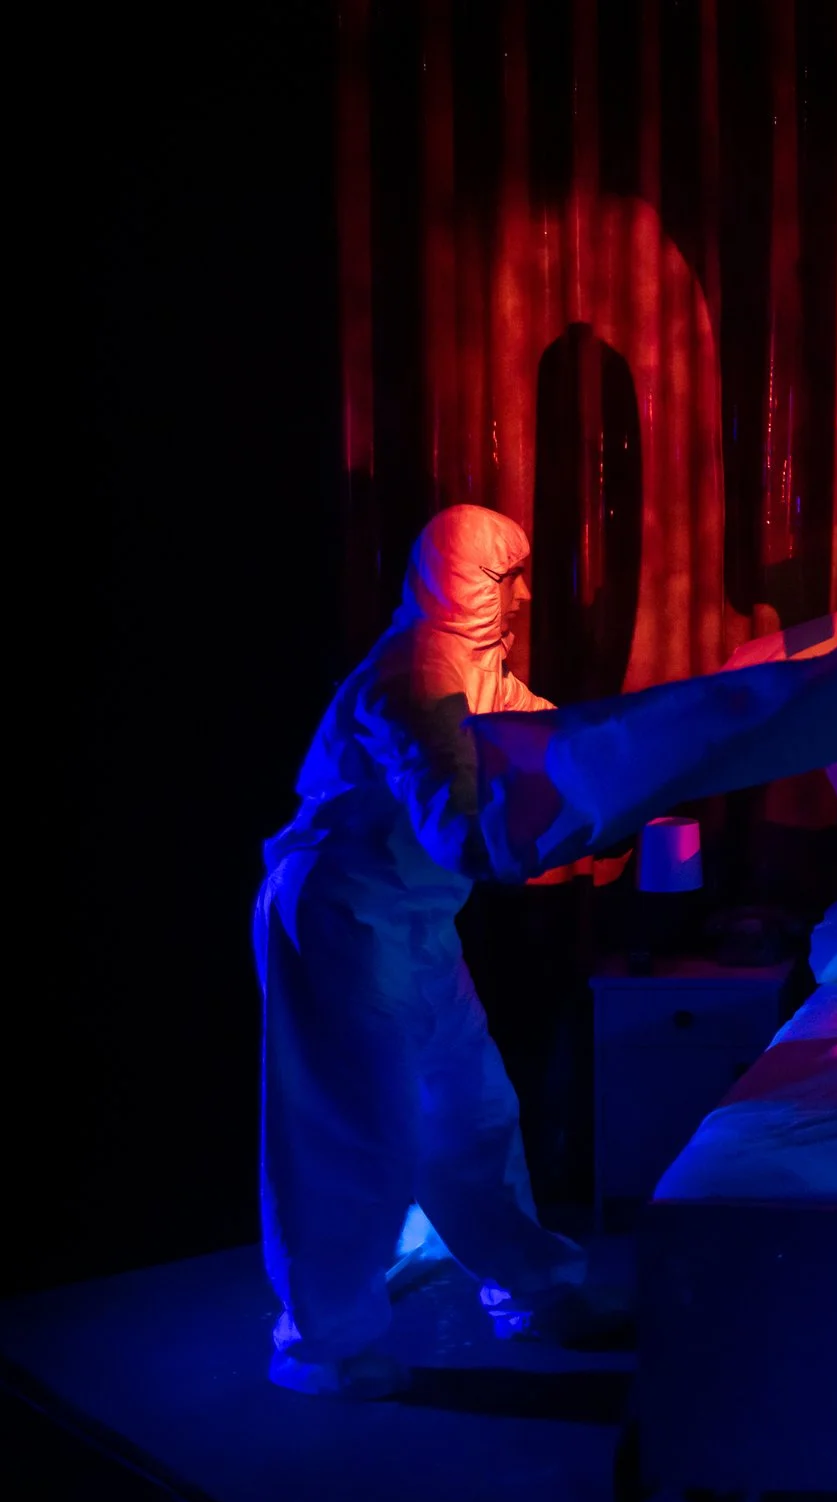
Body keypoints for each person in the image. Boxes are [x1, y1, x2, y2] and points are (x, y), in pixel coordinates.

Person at [256, 504, 618, 1397]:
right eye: (504, 577)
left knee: (473, 1107)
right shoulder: (415, 675)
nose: (522, 597)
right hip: (342, 919)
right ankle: (323, 1342)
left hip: (411, 918)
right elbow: (458, 828)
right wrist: (577, 833)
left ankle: (533, 1286)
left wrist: (652, 756)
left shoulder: (473, 665)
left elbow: (556, 738)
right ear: (458, 578)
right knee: (355, 1126)